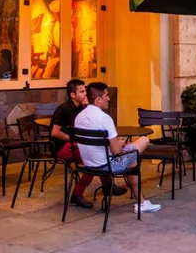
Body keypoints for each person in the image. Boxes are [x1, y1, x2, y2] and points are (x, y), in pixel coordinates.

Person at [73, 82, 161, 213]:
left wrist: (116, 144)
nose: (109, 99)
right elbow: (116, 152)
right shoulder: (104, 118)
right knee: (143, 141)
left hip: (88, 164)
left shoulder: (79, 117)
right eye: (106, 96)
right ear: (98, 99)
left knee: (132, 155)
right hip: (108, 165)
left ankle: (141, 202)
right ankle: (141, 203)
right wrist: (119, 144)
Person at [49, 79, 126, 208]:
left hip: (75, 144)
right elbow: (55, 133)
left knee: (94, 155)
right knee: (92, 159)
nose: (85, 94)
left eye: (85, 91)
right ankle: (78, 195)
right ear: (73, 95)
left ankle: (107, 186)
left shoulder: (82, 108)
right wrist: (76, 139)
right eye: (81, 91)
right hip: (61, 147)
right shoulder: (64, 109)